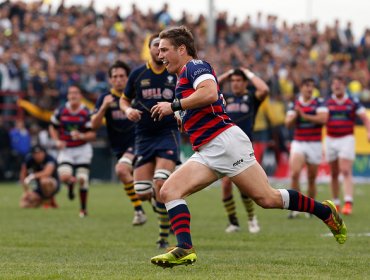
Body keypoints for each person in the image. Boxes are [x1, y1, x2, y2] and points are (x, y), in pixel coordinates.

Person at [149, 26, 347, 268]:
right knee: (169, 191)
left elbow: (210, 93)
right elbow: (207, 102)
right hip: (208, 150)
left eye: (164, 50)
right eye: (159, 51)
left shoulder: (196, 66)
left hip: (225, 143)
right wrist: (184, 117)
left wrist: (175, 106)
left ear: (182, 49)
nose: (160, 55)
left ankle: (324, 212)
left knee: (267, 198)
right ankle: (185, 248)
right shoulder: (182, 77)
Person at [120, 33, 179, 248]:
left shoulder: (176, 73)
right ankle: (166, 210)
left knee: (161, 182)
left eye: (163, 47)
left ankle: (163, 237)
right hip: (144, 136)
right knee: (143, 192)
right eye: (156, 46)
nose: (159, 51)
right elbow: (124, 99)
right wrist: (127, 111)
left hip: (167, 133)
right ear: (150, 48)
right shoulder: (137, 74)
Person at [91, 60, 147, 226]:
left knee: (121, 170)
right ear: (110, 80)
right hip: (119, 147)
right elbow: (93, 125)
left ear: (128, 77)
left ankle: (139, 211)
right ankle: (163, 221)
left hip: (140, 142)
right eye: (114, 76)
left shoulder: (137, 95)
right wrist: (103, 108)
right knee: (148, 191)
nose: (118, 79)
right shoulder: (105, 98)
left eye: (122, 76)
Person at [217, 68, 269, 233]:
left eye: (239, 80)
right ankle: (233, 222)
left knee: (245, 187)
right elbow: (209, 86)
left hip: (244, 146)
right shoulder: (225, 98)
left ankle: (252, 218)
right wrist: (228, 73)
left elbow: (265, 90)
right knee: (225, 185)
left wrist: (249, 73)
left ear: (245, 82)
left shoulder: (251, 98)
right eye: (233, 81)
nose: (235, 84)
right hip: (225, 145)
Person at [325, 75, 370, 215]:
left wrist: (368, 131)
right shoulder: (326, 102)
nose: (337, 86)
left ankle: (348, 202)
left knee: (345, 170)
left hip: (347, 138)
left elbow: (364, 117)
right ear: (332, 86)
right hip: (330, 139)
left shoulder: (352, 101)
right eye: (334, 83)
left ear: (344, 85)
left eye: (339, 83)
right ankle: (336, 203)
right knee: (333, 172)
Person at [49, 84, 96, 217]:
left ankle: (83, 209)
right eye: (71, 93)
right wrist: (57, 141)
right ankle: (69, 185)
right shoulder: (61, 110)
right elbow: (52, 127)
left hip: (82, 149)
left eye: (76, 93)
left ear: (80, 96)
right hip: (67, 149)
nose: (73, 96)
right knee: (64, 176)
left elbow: (92, 134)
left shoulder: (87, 112)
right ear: (68, 96)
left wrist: (81, 135)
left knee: (82, 179)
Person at [285, 78, 328, 218]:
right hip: (299, 142)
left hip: (315, 143)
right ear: (301, 88)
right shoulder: (295, 104)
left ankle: (311, 209)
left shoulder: (319, 103)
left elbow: (323, 119)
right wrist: (296, 115)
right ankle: (295, 207)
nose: (309, 89)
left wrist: (304, 115)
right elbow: (287, 124)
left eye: (311, 86)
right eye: (306, 86)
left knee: (311, 178)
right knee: (295, 174)